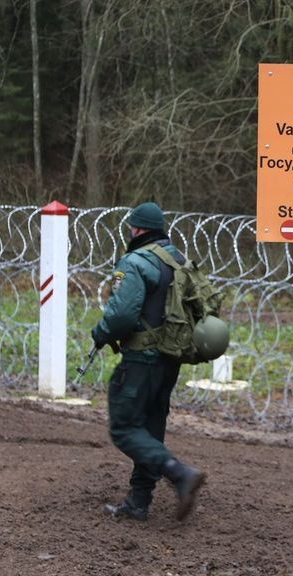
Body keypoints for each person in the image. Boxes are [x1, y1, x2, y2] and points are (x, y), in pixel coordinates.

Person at [92, 201, 206, 522]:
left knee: (125, 427)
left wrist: (101, 332)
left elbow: (122, 315)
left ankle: (179, 473)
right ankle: (138, 502)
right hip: (171, 357)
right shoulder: (178, 261)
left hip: (141, 358)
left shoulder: (135, 262)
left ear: (137, 229)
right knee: (151, 429)